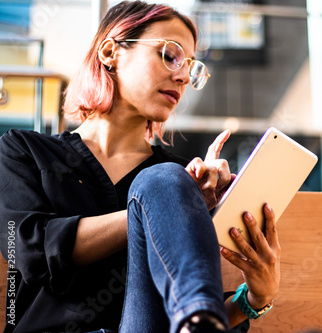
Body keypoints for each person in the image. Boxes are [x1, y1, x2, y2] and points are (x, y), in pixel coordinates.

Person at [0, 1, 280, 332]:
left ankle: (202, 318)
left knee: (164, 178)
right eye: (171, 55)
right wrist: (151, 212)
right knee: (163, 182)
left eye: (191, 68)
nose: (182, 77)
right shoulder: (23, 150)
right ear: (110, 52)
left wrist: (257, 297)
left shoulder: (180, 180)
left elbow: (172, 309)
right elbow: (31, 253)